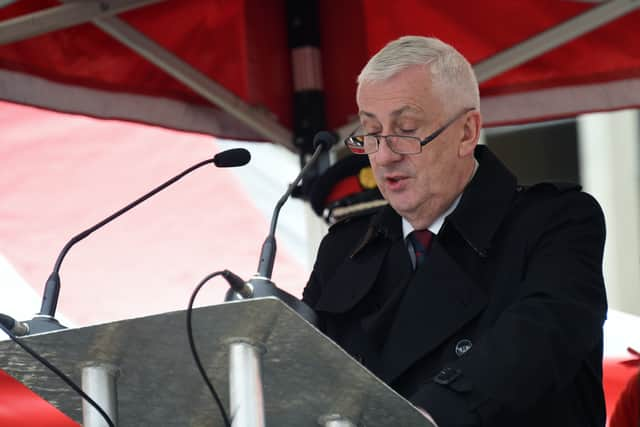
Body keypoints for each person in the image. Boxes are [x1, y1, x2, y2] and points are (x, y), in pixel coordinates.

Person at [302, 36, 607, 426]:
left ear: (466, 133)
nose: (383, 154)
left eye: (406, 129)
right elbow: (304, 372)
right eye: (371, 132)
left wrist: (427, 414)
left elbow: (539, 338)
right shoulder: (343, 249)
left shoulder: (556, 222)